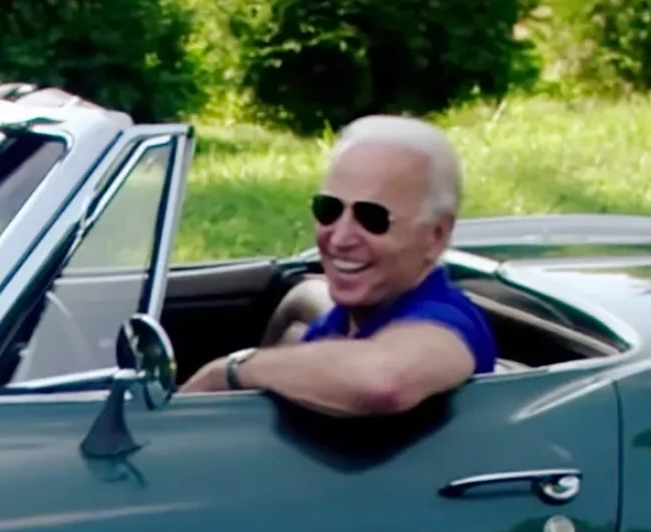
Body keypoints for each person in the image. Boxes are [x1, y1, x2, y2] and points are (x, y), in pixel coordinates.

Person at [180, 114, 496, 416]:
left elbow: (383, 382)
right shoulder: (343, 319)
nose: (340, 238)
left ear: (435, 236)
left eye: (372, 218)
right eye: (329, 209)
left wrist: (228, 372)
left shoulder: (449, 322)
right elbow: (309, 303)